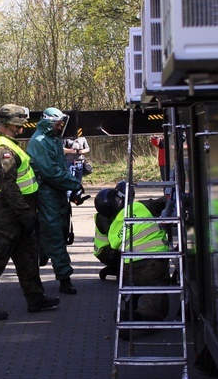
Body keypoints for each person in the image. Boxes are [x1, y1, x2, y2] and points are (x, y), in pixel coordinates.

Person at [0, 104, 60, 321]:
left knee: (27, 257)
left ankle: (35, 299)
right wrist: (25, 214)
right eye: (20, 123)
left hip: (17, 210)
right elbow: (8, 186)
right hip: (8, 212)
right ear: (10, 125)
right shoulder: (3, 149)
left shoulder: (6, 143)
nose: (23, 127)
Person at [27, 107, 85, 295]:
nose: (61, 127)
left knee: (57, 234)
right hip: (47, 195)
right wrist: (74, 184)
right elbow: (51, 173)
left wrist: (71, 187)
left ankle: (44, 267)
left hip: (56, 195)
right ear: (50, 122)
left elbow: (58, 169)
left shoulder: (51, 139)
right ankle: (64, 279)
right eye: (58, 124)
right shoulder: (40, 141)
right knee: (54, 237)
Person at [94, 186, 170, 322]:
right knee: (156, 296)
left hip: (129, 268)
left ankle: (129, 307)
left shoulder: (113, 227)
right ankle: (140, 316)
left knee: (133, 285)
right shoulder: (139, 207)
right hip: (153, 264)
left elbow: (114, 246)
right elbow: (163, 203)